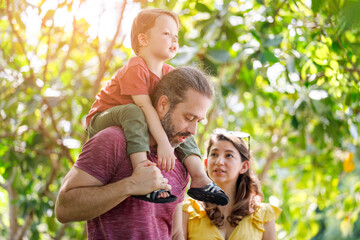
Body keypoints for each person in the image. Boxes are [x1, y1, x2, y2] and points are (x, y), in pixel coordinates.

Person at [55, 66, 219, 239]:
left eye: (198, 121)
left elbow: (175, 232)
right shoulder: (113, 140)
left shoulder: (182, 157)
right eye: (189, 118)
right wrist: (131, 185)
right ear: (163, 104)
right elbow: (64, 208)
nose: (193, 130)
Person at [85, 8, 228, 204]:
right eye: (167, 34)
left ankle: (199, 178)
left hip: (135, 120)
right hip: (102, 119)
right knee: (133, 111)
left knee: (184, 122)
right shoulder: (136, 67)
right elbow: (145, 108)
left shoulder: (169, 73)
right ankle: (143, 171)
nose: (174, 40)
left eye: (176, 36)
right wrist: (162, 143)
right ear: (143, 39)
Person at [182, 129, 282, 240]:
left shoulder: (264, 215)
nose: (219, 161)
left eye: (229, 155)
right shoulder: (188, 210)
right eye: (214, 154)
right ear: (206, 163)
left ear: (244, 166)